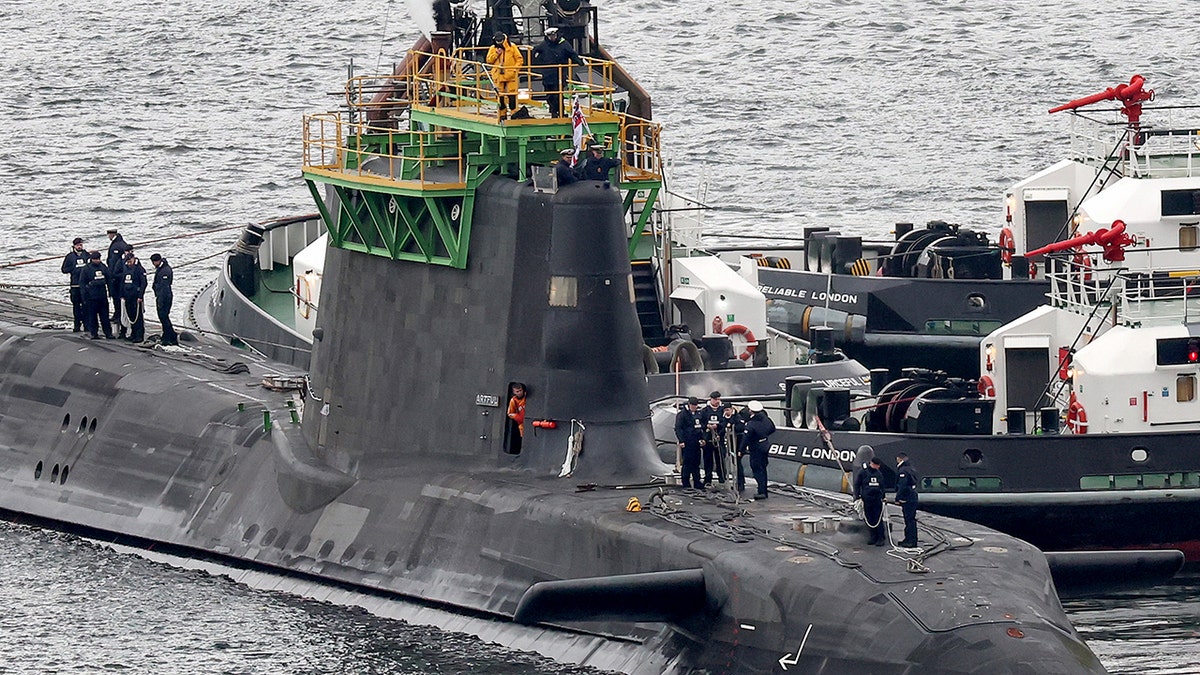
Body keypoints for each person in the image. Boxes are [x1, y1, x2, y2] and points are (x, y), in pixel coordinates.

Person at [530, 26, 582, 118]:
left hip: (559, 75)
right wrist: (538, 59)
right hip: (547, 75)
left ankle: (560, 112)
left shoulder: (564, 44)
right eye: (550, 36)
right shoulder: (544, 45)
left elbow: (572, 54)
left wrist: (579, 62)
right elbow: (535, 51)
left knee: (558, 95)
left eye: (553, 35)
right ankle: (553, 111)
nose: (552, 38)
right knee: (549, 95)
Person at [740, 400, 776, 500]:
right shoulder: (766, 419)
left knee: (756, 469)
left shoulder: (751, 424)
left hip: (755, 447)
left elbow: (746, 438)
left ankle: (761, 491)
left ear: (751, 411)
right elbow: (772, 429)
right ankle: (763, 489)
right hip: (765, 445)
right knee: (763, 468)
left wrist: (741, 450)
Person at [485, 32, 523, 121]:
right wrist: (496, 54)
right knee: (500, 96)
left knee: (512, 95)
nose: (499, 43)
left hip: (510, 75)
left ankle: (514, 113)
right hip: (498, 75)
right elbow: (489, 60)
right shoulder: (493, 48)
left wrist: (515, 69)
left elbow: (519, 59)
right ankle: (502, 114)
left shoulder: (512, 47)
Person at [696, 390, 728, 486]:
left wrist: (717, 427)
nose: (717, 401)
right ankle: (708, 478)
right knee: (708, 459)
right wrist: (707, 426)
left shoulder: (722, 410)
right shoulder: (705, 411)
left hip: (719, 439)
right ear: (711, 399)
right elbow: (700, 423)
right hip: (708, 439)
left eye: (718, 399)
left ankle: (722, 477)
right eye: (715, 399)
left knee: (720, 459)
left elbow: (725, 422)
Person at [854, 456, 888, 546]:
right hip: (867, 499)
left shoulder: (879, 473)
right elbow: (857, 484)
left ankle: (880, 538)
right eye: (877, 465)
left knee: (878, 519)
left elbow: (882, 486)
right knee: (870, 519)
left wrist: (883, 496)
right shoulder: (863, 472)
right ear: (872, 464)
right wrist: (857, 497)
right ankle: (873, 537)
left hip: (877, 499)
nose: (878, 467)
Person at [80, 251, 114, 339]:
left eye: (98, 259)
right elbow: (82, 283)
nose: (97, 261)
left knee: (105, 316)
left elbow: (109, 279)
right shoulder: (86, 269)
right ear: (91, 259)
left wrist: (111, 292)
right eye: (95, 259)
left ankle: (108, 333)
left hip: (102, 295)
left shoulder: (103, 267)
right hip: (91, 297)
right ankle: (94, 333)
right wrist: (84, 297)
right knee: (92, 316)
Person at [674, 396, 704, 489]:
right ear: (689, 404)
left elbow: (700, 427)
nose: (694, 407)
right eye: (693, 405)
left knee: (696, 463)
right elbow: (678, 428)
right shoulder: (682, 415)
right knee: (687, 463)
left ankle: (697, 481)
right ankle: (686, 482)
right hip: (687, 442)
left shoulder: (698, 414)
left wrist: (702, 438)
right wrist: (681, 440)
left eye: (696, 405)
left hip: (696, 442)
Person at [150, 253, 178, 346]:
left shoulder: (164, 271)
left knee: (164, 317)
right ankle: (168, 334)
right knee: (163, 317)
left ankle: (170, 336)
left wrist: (160, 301)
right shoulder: (161, 268)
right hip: (161, 295)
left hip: (165, 296)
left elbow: (164, 288)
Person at [61, 237, 89, 332]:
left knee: (86, 306)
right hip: (75, 285)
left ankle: (87, 325)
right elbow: (64, 270)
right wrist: (74, 269)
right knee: (76, 306)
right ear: (74, 246)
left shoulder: (86, 255)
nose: (80, 246)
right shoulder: (70, 257)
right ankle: (77, 325)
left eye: (81, 245)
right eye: (78, 245)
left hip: (85, 286)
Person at [105, 228, 131, 327]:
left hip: (117, 276)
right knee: (115, 295)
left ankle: (119, 314)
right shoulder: (117, 243)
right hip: (114, 274)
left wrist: (113, 273)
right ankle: (117, 313)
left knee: (117, 296)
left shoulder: (118, 245)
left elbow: (115, 261)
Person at [119, 252, 147, 343]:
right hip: (127, 296)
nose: (129, 263)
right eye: (128, 261)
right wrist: (122, 295)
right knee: (130, 316)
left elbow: (143, 283)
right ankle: (133, 334)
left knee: (138, 317)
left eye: (130, 260)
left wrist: (140, 295)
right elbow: (122, 283)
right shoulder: (126, 269)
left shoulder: (139, 269)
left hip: (136, 296)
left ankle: (139, 335)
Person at [895, 452, 921, 547]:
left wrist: (898, 498)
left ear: (899, 459)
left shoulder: (903, 470)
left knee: (909, 520)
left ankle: (911, 541)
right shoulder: (911, 468)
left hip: (908, 498)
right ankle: (909, 539)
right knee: (910, 519)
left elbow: (902, 486)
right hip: (913, 496)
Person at [724, 405, 747, 493]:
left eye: (728, 410)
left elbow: (741, 427)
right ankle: (737, 481)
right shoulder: (725, 417)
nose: (727, 412)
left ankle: (740, 483)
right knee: (734, 462)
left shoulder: (738, 417)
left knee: (738, 463)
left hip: (738, 443)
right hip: (731, 442)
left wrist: (731, 425)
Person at [506, 383, 527, 454]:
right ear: (514, 392)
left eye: (520, 390)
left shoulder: (527, 397)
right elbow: (510, 413)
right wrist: (518, 417)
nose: (519, 393)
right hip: (522, 424)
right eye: (517, 391)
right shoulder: (513, 400)